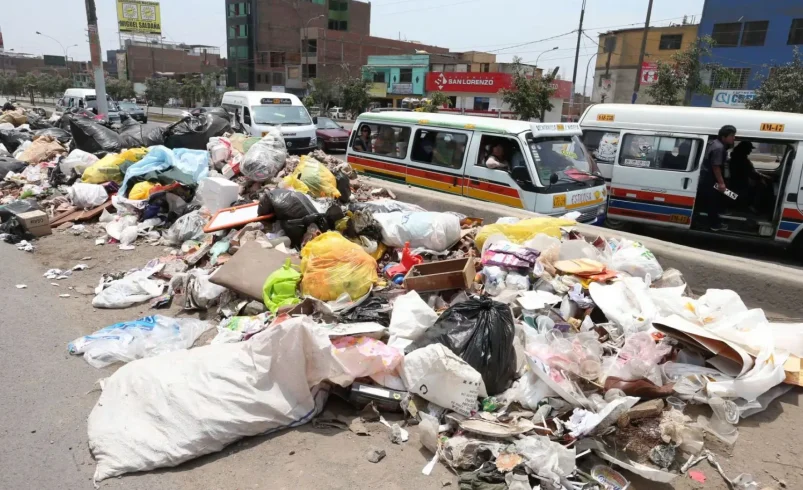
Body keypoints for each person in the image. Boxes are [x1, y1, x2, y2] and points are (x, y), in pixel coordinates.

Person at [699, 125, 736, 231]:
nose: (734, 138)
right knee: (714, 201)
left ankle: (723, 210)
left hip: (708, 178)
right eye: (731, 136)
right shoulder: (719, 148)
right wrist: (721, 183)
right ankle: (714, 225)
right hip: (711, 179)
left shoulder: (714, 143)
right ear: (724, 137)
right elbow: (716, 167)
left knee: (725, 196)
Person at [728, 141, 771, 213]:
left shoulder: (739, 157)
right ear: (744, 149)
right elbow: (751, 173)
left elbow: (752, 171)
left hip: (740, 182)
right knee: (762, 186)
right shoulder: (741, 160)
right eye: (749, 149)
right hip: (739, 184)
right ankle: (753, 207)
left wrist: (762, 176)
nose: (751, 151)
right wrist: (763, 177)